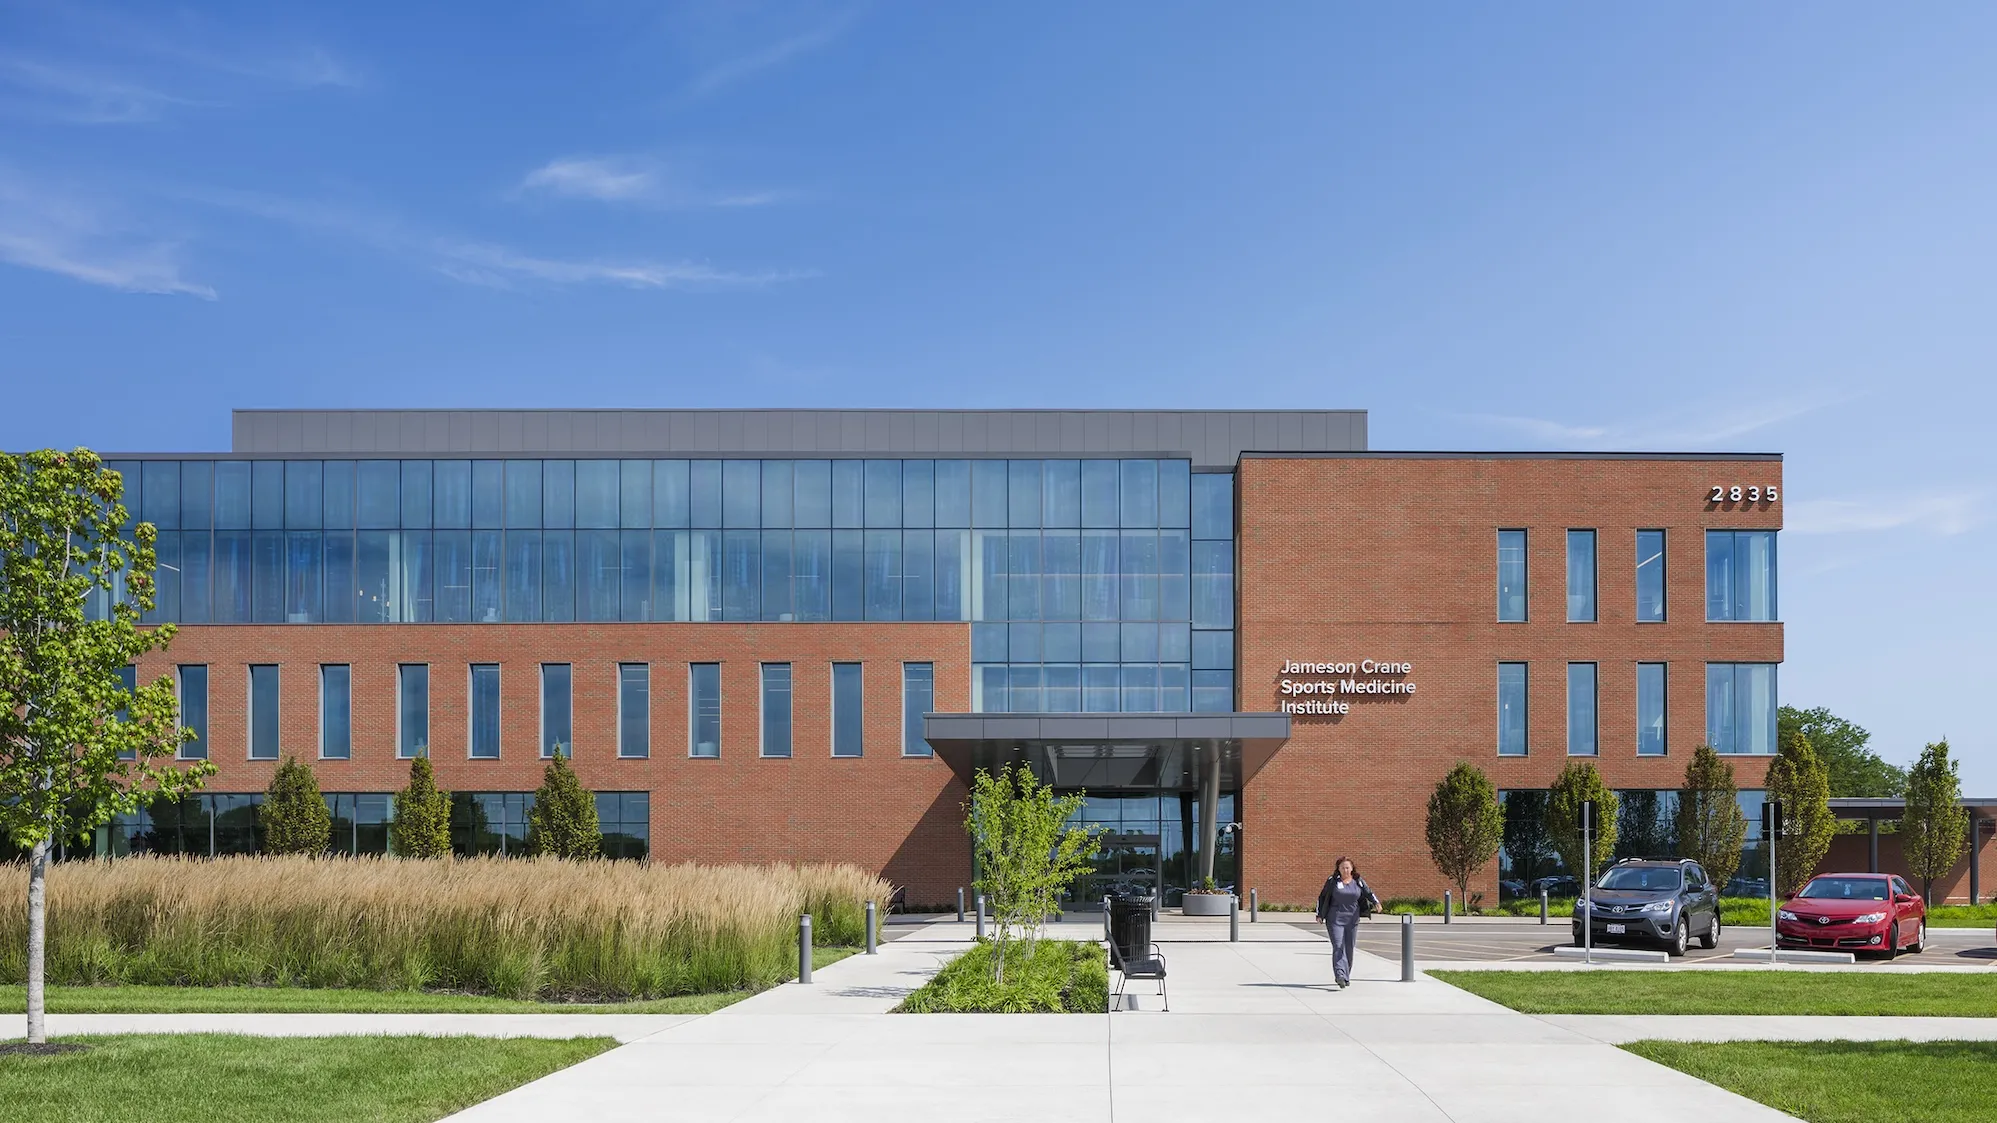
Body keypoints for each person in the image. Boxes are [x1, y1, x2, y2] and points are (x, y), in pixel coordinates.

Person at [1314, 856, 1378, 988]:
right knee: (1338, 946)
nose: (1345, 870)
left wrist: (1376, 902)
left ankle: (1346, 974)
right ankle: (1340, 975)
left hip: (1352, 919)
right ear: (1338, 868)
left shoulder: (1358, 881)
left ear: (1352, 868)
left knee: (1349, 948)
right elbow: (1322, 896)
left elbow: (1368, 892)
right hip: (1335, 918)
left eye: (1347, 867)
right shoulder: (1332, 881)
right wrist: (1320, 914)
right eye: (1342, 867)